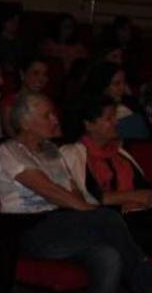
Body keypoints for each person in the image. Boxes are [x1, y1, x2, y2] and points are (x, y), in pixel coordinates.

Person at [0, 92, 152, 293]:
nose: (55, 119)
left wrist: (88, 214)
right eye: (47, 116)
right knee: (105, 218)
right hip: (28, 230)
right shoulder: (9, 151)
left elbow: (75, 192)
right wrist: (93, 215)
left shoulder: (53, 151)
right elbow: (50, 191)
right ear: (26, 123)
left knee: (110, 257)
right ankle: (143, 277)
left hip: (64, 226)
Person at [60, 95, 152, 251]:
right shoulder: (73, 154)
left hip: (135, 215)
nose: (116, 122)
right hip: (104, 222)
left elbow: (144, 189)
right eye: (109, 118)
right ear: (89, 125)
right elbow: (94, 198)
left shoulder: (119, 153)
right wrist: (133, 198)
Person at [79, 61, 150, 140]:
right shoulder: (90, 109)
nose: (123, 88)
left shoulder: (131, 103)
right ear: (103, 85)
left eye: (124, 82)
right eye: (117, 84)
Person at [1, 57, 49, 137]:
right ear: (22, 74)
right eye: (35, 73)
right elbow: (11, 134)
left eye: (45, 75)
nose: (41, 79)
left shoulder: (46, 103)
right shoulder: (9, 103)